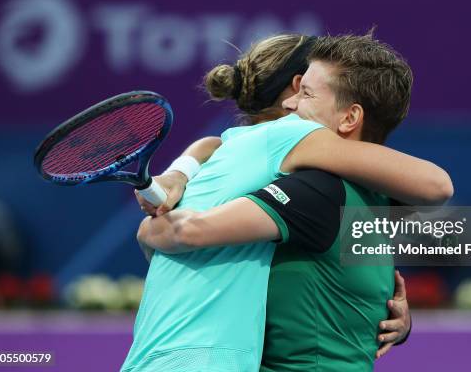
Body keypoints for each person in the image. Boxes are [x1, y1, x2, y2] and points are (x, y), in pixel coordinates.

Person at [124, 34, 452, 371]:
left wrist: (150, 227)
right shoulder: (377, 198)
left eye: (307, 94)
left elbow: (188, 229)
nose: (292, 106)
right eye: (296, 91)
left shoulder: (314, 188)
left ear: (350, 117)